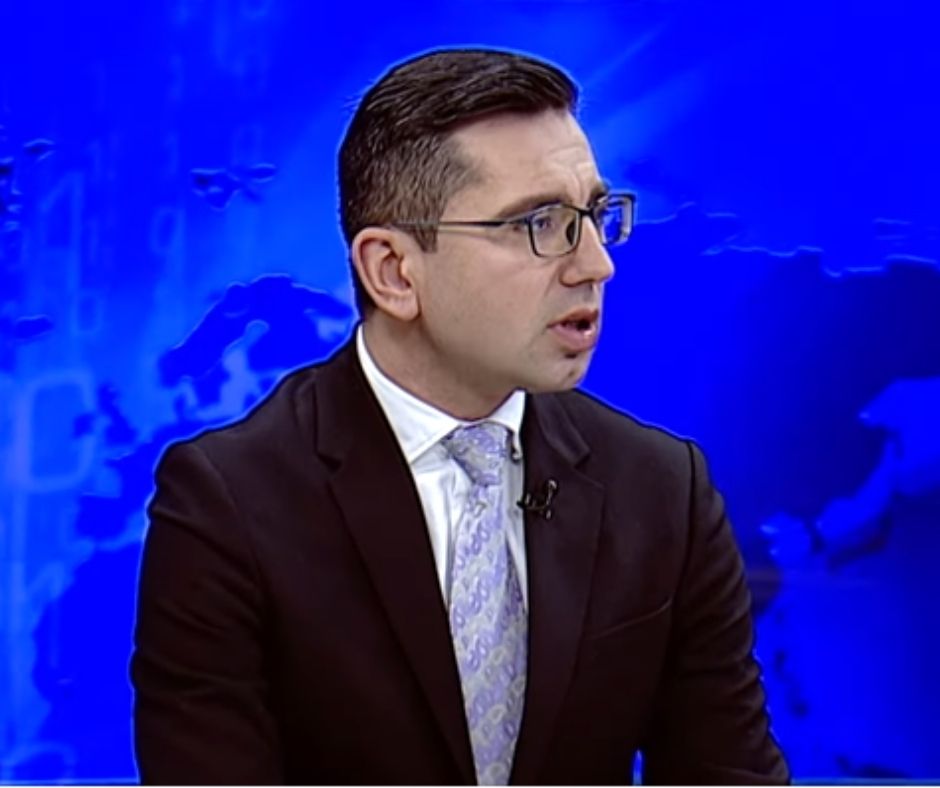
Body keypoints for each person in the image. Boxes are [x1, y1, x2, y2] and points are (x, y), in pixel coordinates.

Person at [131, 48, 789, 785]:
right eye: (540, 222)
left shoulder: (663, 489)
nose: (595, 264)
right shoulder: (227, 506)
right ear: (393, 271)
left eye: (595, 215)